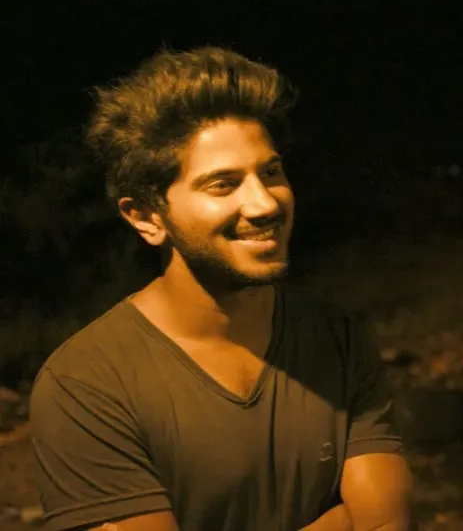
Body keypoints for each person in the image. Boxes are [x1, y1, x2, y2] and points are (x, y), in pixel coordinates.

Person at [27, 47, 414, 531]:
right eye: (223, 184)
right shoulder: (87, 384)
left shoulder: (334, 338)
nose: (263, 203)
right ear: (146, 217)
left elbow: (385, 523)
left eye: (270, 172)